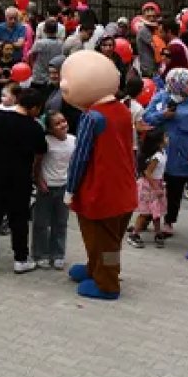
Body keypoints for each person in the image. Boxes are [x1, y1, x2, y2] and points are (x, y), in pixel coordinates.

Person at [63, 50, 137, 300]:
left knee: (104, 239)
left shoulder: (92, 117)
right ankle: (95, 267)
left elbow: (80, 156)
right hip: (124, 187)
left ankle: (107, 282)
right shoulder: (123, 110)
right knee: (104, 236)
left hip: (101, 191)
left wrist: (70, 188)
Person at [0, 86, 45, 275]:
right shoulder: (34, 127)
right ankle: (20, 259)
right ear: (35, 107)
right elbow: (40, 152)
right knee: (19, 219)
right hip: (19, 179)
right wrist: (37, 176)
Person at [142, 68, 188, 234]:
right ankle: (146, 218)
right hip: (159, 154)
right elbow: (146, 117)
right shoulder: (160, 98)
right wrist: (163, 115)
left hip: (181, 156)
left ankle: (169, 221)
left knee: (175, 190)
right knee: (153, 188)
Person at [33, 111, 74, 270]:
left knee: (61, 222)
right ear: (49, 129)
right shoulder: (46, 142)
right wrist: (39, 180)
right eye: (57, 124)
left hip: (64, 186)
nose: (62, 125)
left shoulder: (73, 140)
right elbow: (37, 163)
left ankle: (58, 254)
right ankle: (40, 253)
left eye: (63, 121)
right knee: (41, 222)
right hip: (47, 186)